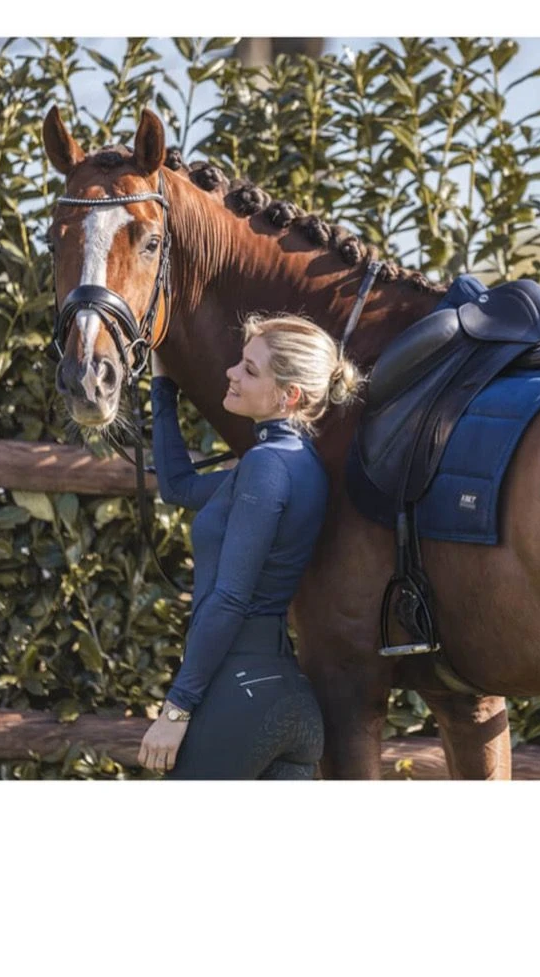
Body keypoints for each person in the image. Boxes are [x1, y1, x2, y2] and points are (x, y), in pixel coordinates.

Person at [137, 312, 363, 779]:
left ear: (289, 396)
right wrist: (163, 387)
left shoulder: (265, 466)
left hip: (239, 697)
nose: (231, 373)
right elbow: (177, 486)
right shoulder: (296, 464)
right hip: (287, 699)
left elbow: (230, 597)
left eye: (249, 370)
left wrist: (176, 709)